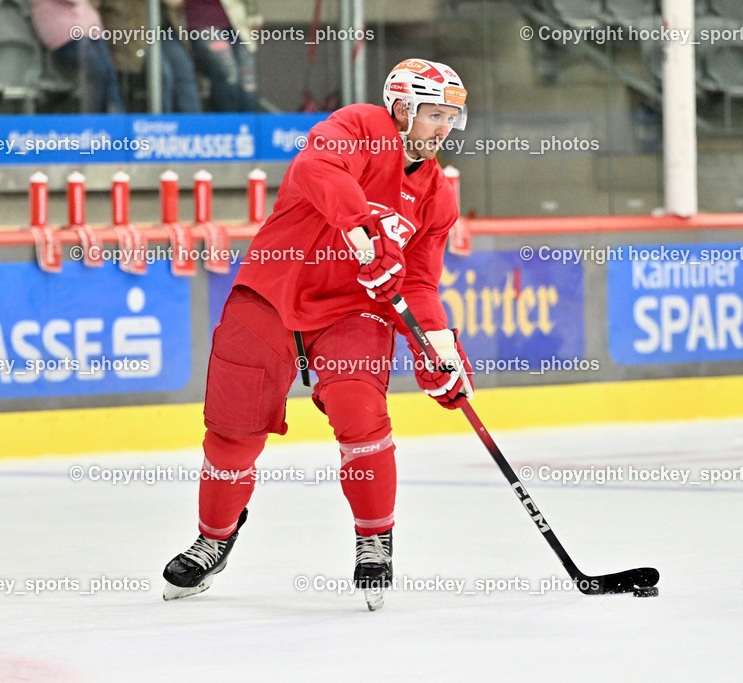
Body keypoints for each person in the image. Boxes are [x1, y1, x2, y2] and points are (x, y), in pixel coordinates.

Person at [163, 59, 472, 609]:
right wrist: (363, 227)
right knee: (233, 429)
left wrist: (438, 350)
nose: (444, 128)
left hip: (354, 312)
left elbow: (420, 284)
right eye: (433, 115)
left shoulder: (437, 197)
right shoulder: (357, 126)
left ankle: (375, 539)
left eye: (452, 117)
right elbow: (315, 170)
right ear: (401, 111)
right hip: (271, 294)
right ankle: (214, 539)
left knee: (360, 410)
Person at [97, 0, 201, 113]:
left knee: (184, 73)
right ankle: (161, 125)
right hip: (131, 31)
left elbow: (177, 3)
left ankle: (194, 127)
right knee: (161, 73)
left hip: (166, 31)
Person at [29, 0, 124, 113]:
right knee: (98, 72)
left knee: (109, 73)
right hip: (65, 33)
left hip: (90, 30)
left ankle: (116, 118)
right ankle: (97, 121)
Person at [184, 0, 261, 112]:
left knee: (248, 82)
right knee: (229, 74)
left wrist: (254, 15)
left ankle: (248, 126)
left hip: (238, 24)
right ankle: (226, 126)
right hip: (202, 23)